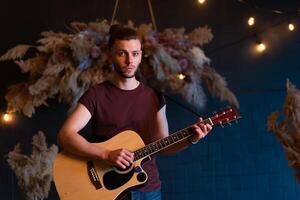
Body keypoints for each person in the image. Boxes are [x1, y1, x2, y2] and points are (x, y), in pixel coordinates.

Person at [57, 25, 212, 200]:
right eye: (122, 53)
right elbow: (65, 135)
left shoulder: (155, 97)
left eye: (135, 54)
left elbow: (164, 145)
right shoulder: (96, 95)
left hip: (149, 190)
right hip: (107, 191)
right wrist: (105, 154)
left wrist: (191, 138)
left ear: (140, 56)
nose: (130, 61)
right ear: (111, 54)